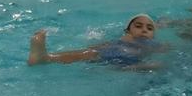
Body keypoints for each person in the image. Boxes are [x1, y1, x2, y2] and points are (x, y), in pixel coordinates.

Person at [28, 14, 165, 67]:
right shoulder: (122, 39)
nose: (144, 30)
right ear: (128, 31)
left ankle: (46, 59)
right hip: (111, 53)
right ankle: (46, 58)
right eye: (138, 26)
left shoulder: (153, 44)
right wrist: (95, 47)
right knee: (87, 53)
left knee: (155, 66)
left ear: (153, 35)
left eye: (149, 28)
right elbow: (104, 46)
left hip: (130, 63)